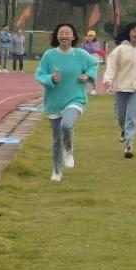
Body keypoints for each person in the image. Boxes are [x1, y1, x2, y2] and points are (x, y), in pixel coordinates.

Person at [36, 23, 97, 181]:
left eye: (67, 33)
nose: (64, 35)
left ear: (73, 36)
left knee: (66, 125)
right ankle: (57, 170)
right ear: (57, 36)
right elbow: (40, 74)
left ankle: (69, 150)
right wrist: (51, 79)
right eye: (61, 33)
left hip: (75, 98)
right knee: (56, 139)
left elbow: (93, 64)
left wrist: (87, 76)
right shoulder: (49, 55)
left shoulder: (81, 54)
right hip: (55, 101)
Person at [102, 21, 136, 158]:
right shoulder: (120, 49)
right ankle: (123, 130)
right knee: (121, 116)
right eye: (134, 31)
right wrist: (108, 81)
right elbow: (111, 66)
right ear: (129, 33)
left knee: (133, 116)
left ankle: (129, 145)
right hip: (122, 87)